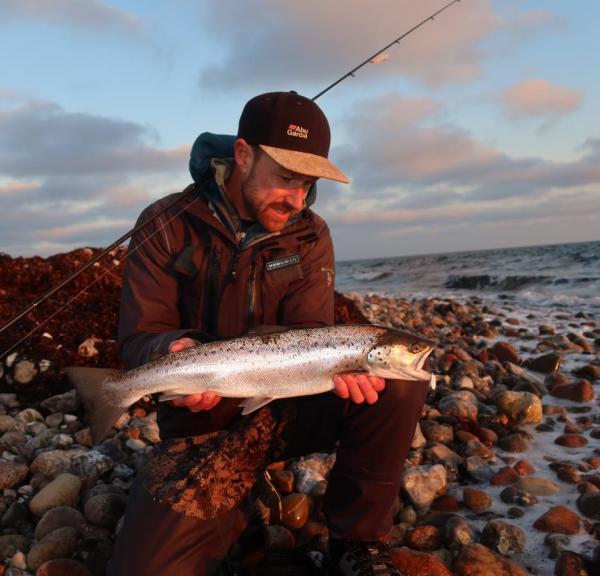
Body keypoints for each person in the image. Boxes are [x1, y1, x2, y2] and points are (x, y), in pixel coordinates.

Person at [107, 91, 430, 576]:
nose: (297, 199)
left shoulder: (310, 234)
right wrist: (169, 351)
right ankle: (236, 501)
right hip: (202, 425)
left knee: (401, 385)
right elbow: (139, 337)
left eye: (308, 184)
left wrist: (347, 373)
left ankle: (357, 543)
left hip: (286, 407)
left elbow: (311, 334)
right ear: (242, 155)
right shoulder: (166, 223)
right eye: (285, 179)